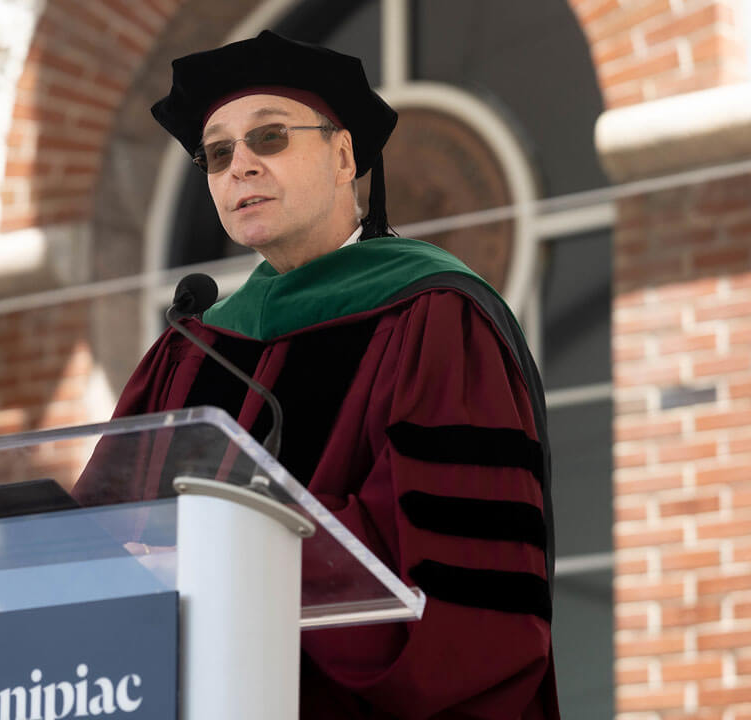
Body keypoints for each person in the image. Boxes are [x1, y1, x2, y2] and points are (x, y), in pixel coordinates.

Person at [77, 31, 559, 718]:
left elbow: (460, 596)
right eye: (218, 154)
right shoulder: (192, 347)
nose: (239, 165)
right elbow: (93, 546)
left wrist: (230, 553)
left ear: (341, 155)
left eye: (268, 137)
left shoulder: (437, 318)